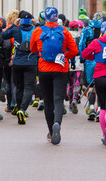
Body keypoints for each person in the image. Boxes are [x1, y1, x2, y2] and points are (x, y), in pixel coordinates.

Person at [30, 7, 78, 145]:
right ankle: (57, 123)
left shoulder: (38, 30)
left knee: (48, 101)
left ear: (44, 17)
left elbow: (32, 49)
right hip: (61, 68)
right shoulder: (64, 31)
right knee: (58, 99)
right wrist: (63, 56)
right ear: (57, 17)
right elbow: (74, 50)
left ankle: (51, 132)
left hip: (44, 68)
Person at [2, 11, 38, 125]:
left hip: (17, 63)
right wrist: (36, 24)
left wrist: (13, 24)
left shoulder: (15, 29)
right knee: (28, 88)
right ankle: (22, 109)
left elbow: (3, 35)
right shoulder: (36, 30)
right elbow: (44, 30)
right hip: (31, 63)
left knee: (18, 87)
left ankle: (18, 108)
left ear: (20, 20)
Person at [79, 12, 102, 121]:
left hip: (89, 59)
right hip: (102, 59)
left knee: (91, 86)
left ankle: (92, 108)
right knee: (101, 86)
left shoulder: (87, 29)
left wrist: (82, 58)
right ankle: (100, 110)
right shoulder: (104, 29)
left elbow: (82, 44)